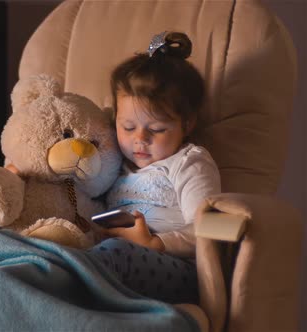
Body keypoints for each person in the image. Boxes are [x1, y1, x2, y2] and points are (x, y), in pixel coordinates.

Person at [88, 31, 221, 304]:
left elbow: (211, 228)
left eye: (157, 129)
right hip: (113, 260)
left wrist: (155, 243)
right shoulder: (116, 165)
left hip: (175, 268)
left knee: (110, 255)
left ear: (187, 124)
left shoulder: (188, 162)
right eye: (127, 127)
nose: (140, 139)